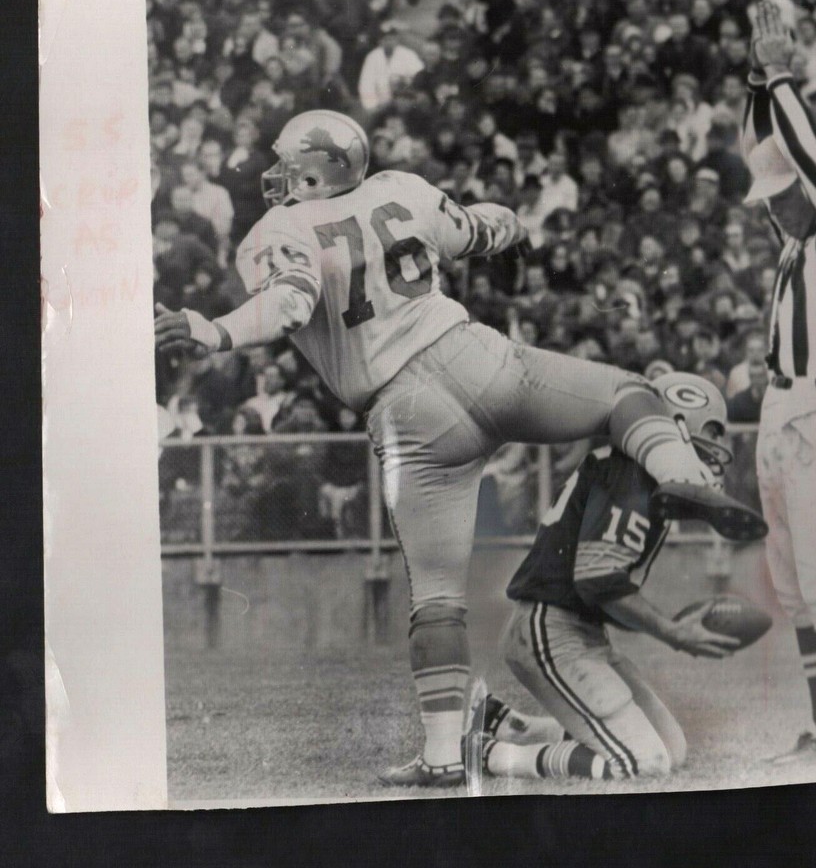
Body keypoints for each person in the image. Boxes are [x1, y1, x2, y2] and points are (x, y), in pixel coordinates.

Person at [155, 108, 764, 788]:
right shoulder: (402, 189)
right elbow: (480, 228)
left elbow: (289, 305)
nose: (273, 173)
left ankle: (446, 753)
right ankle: (681, 473)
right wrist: (508, 222)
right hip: (476, 358)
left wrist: (212, 329)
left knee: (437, 599)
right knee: (626, 393)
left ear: (313, 168)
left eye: (285, 162)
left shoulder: (280, 229)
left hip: (405, 416)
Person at [465, 373, 748, 784]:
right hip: (552, 632)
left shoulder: (634, 473)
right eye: (711, 432)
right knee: (643, 762)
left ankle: (510, 724)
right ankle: (493, 755)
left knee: (672, 748)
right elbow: (598, 580)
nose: (716, 448)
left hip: (580, 633)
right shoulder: (630, 478)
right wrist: (672, 632)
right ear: (678, 425)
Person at [742, 0, 816, 766]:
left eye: (781, 200)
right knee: (795, 579)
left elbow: (804, 157)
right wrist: (753, 83)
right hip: (783, 407)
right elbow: (767, 155)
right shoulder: (794, 246)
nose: (772, 210)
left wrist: (780, 74)